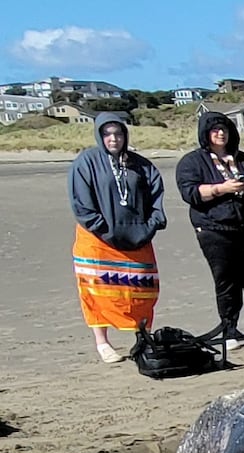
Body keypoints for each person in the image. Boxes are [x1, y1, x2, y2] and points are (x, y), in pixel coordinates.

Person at [176, 112, 244, 350]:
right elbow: (190, 193)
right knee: (226, 282)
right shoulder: (192, 162)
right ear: (206, 133)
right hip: (214, 229)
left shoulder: (243, 159)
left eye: (224, 129)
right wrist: (221, 189)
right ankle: (230, 331)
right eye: (215, 130)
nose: (220, 133)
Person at [69, 112, 167, 364]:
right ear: (100, 135)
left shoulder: (140, 165)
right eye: (107, 134)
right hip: (98, 240)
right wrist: (103, 228)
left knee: (140, 290)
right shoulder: (86, 162)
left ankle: (142, 337)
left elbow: (156, 197)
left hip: (137, 238)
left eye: (118, 133)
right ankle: (102, 342)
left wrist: (150, 225)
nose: (113, 138)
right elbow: (82, 203)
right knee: (98, 293)